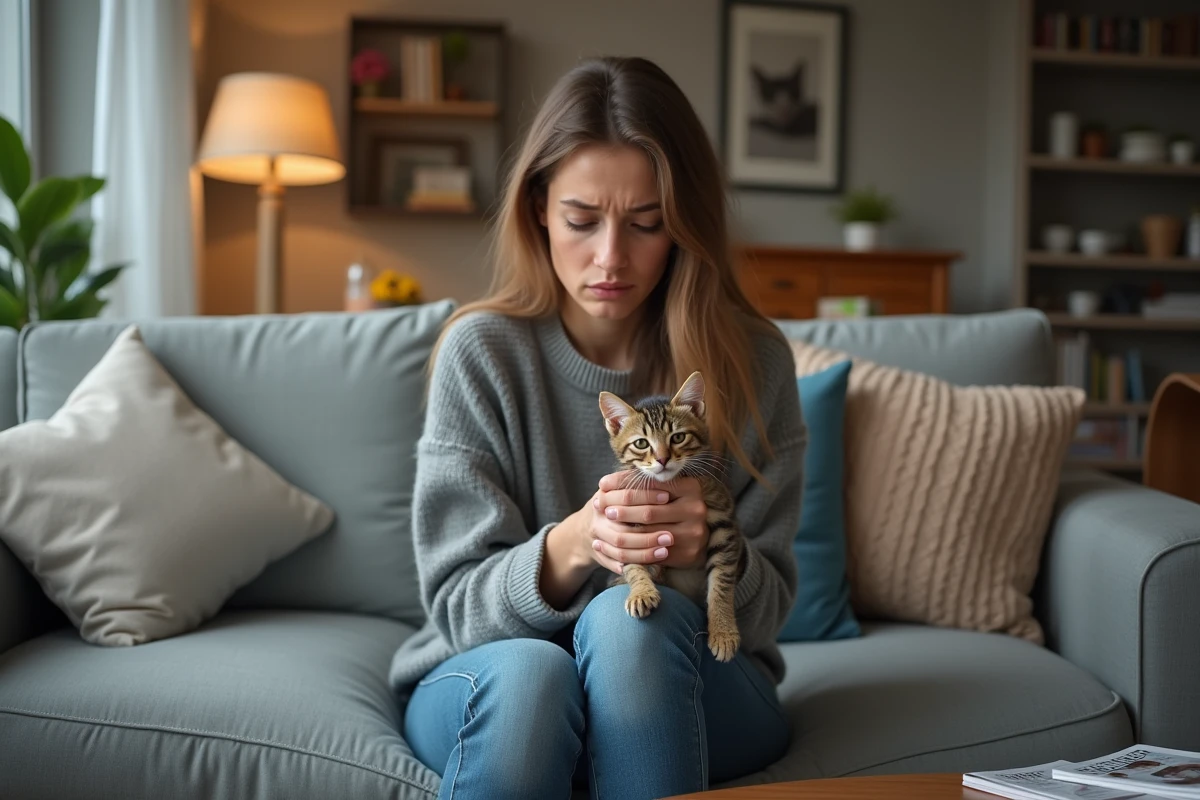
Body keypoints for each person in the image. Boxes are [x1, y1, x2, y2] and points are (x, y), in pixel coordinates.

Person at [388, 55, 806, 800]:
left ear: (684, 226)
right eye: (583, 220)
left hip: (699, 676)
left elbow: (771, 603)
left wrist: (698, 557)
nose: (611, 258)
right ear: (539, 207)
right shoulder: (480, 353)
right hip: (498, 672)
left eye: (647, 224)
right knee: (533, 679)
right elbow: (453, 601)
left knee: (629, 627)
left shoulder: (752, 362)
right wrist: (577, 543)